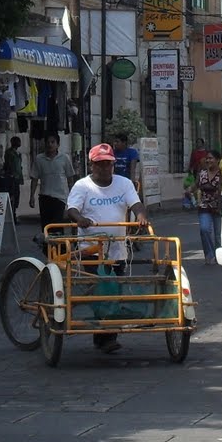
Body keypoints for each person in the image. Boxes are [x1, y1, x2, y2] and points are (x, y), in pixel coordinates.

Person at [66, 142, 149, 354]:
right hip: (91, 249)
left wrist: (140, 216)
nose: (104, 168)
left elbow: (135, 203)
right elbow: (72, 208)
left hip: (117, 249)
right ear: (92, 165)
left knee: (115, 291)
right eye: (100, 164)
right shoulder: (82, 186)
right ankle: (106, 338)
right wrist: (80, 219)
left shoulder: (124, 183)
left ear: (113, 165)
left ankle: (104, 336)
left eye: (108, 164)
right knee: (101, 291)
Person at [31, 133, 75, 228]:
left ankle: (58, 237)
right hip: (44, 197)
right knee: (46, 226)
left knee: (57, 225)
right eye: (48, 142)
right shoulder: (39, 159)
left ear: (58, 144)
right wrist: (32, 196)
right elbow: (34, 178)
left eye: (52, 142)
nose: (50, 144)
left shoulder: (64, 158)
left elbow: (70, 179)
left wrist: (72, 198)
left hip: (60, 198)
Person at [192, 152, 222, 265]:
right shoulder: (202, 173)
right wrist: (189, 191)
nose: (208, 161)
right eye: (207, 158)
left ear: (217, 160)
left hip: (219, 207)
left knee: (218, 235)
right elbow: (196, 185)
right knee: (204, 230)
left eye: (211, 158)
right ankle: (209, 255)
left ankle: (220, 256)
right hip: (204, 206)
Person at [0, 136, 25, 214]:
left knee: (16, 195)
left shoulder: (18, 153)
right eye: (17, 141)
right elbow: (8, 164)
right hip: (11, 177)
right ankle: (12, 213)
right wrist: (9, 174)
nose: (19, 143)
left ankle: (14, 211)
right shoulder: (9, 152)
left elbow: (19, 166)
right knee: (12, 195)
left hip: (17, 177)